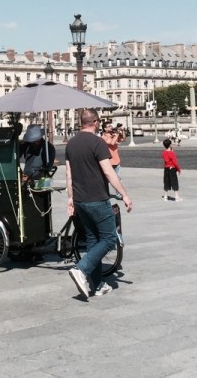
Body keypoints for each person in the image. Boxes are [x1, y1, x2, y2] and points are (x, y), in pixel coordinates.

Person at [65, 109, 132, 299]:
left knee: (93, 240)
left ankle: (98, 285)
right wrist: (124, 194)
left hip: (80, 200)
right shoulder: (97, 142)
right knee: (109, 238)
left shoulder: (71, 144)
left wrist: (70, 198)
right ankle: (81, 269)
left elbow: (68, 174)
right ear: (95, 122)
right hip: (97, 198)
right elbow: (109, 172)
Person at [101, 122, 124, 200]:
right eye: (109, 126)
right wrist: (116, 134)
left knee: (117, 179)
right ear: (105, 128)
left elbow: (123, 139)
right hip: (109, 161)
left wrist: (122, 131)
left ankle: (119, 194)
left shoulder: (113, 135)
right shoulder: (103, 137)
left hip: (116, 160)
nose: (111, 127)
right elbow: (112, 142)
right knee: (107, 179)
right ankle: (104, 193)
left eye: (111, 126)